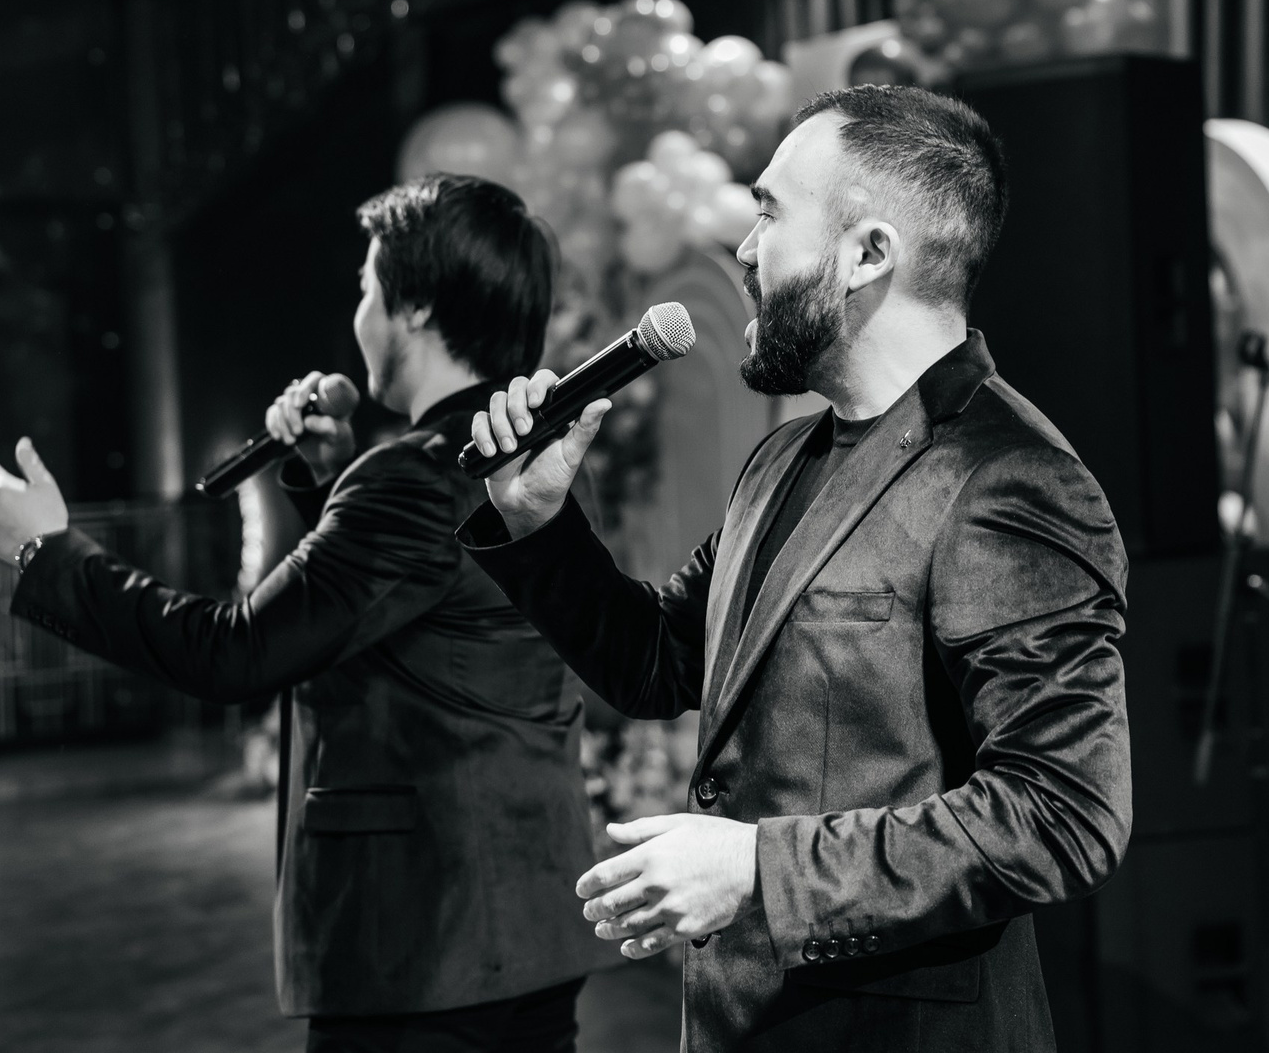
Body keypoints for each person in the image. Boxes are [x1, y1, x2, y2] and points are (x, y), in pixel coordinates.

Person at [459, 86, 1134, 1052]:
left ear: (868, 253)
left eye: (770, 213)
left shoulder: (1010, 478)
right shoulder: (783, 459)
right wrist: (539, 523)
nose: (743, 249)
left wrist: (757, 871)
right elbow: (658, 662)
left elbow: (1063, 814)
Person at [0, 174, 614, 1052]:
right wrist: (326, 479)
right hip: (521, 926)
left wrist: (46, 552)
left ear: (416, 306)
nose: (360, 313)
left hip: (426, 943)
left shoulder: (413, 476)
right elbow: (422, 629)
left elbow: (233, 653)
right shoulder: (530, 464)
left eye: (367, 287)